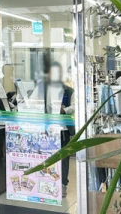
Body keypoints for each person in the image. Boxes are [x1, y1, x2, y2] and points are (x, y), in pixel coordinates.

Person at [29, 61, 75, 197]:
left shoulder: (69, 91)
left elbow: (75, 106)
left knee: (63, 157)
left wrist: (64, 110)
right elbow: (32, 102)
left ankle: (63, 184)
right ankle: (47, 183)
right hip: (47, 129)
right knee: (47, 155)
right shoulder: (43, 89)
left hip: (63, 129)